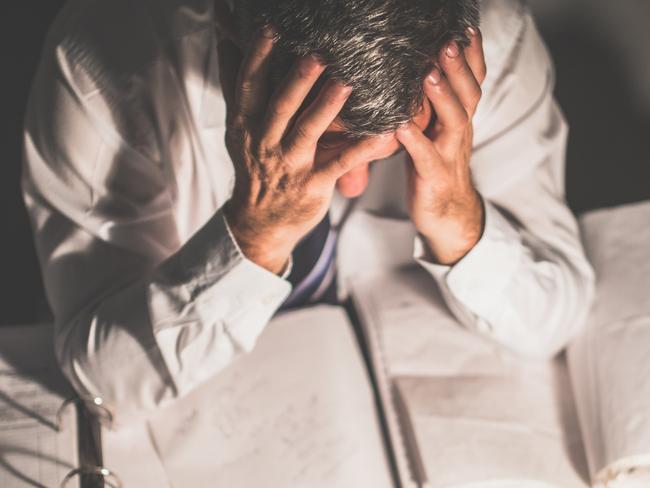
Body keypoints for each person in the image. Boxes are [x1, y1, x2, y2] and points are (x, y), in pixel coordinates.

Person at [22, 0, 594, 428]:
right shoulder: (104, 63)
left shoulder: (488, 40)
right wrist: (255, 234)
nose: (352, 183)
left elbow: (555, 315)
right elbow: (103, 386)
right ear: (228, 40)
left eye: (390, 146)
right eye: (318, 141)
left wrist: (459, 222)